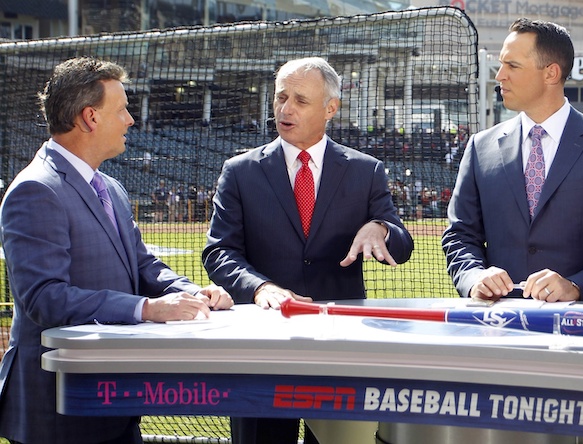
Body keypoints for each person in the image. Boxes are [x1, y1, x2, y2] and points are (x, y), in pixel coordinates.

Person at [0, 57, 234, 444]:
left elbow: (142, 264)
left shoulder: (111, 187)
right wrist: (147, 308)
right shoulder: (36, 189)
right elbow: (44, 297)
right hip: (60, 409)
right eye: (123, 109)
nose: (130, 120)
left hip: (113, 399)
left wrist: (191, 291)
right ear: (90, 117)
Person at [202, 56, 414, 444]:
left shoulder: (365, 170)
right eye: (281, 97)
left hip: (338, 346)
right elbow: (219, 253)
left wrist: (380, 227)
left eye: (300, 100)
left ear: (330, 108)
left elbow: (402, 245)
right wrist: (260, 288)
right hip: (262, 346)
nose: (285, 109)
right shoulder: (240, 171)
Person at [442, 18, 583, 303]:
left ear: (551, 73)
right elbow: (459, 235)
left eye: (512, 66)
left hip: (579, 327)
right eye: (501, 64)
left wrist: (575, 285)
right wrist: (474, 277)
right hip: (496, 327)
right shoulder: (480, 147)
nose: (500, 76)